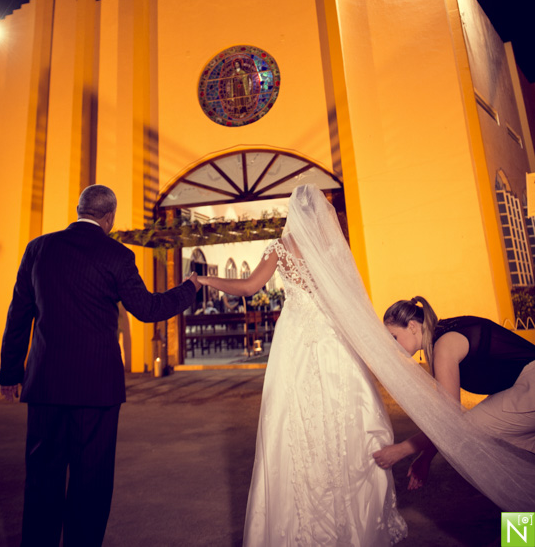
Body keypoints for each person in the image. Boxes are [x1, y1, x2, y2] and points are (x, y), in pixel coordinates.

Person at [197, 184, 408, 546]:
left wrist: (204, 278)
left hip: (294, 342)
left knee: (292, 422)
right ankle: (353, 526)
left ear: (294, 212)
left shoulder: (282, 248)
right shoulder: (331, 249)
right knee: (342, 422)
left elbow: (249, 288)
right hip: (332, 341)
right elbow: (352, 303)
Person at [0, 184, 200, 547]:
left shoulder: (38, 249)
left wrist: (10, 374)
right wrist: (189, 288)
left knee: (42, 478)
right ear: (109, 217)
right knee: (90, 482)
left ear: (79, 210)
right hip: (97, 388)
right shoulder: (117, 255)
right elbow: (148, 309)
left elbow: (19, 314)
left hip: (45, 384)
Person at [373, 296, 535, 488]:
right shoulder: (442, 335)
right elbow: (448, 420)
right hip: (521, 388)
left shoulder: (444, 346)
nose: (392, 346)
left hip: (529, 385)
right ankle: (523, 517)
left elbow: (451, 422)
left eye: (394, 337)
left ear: (412, 326)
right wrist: (426, 458)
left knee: (474, 434)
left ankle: (522, 515)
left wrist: (400, 450)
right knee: (507, 453)